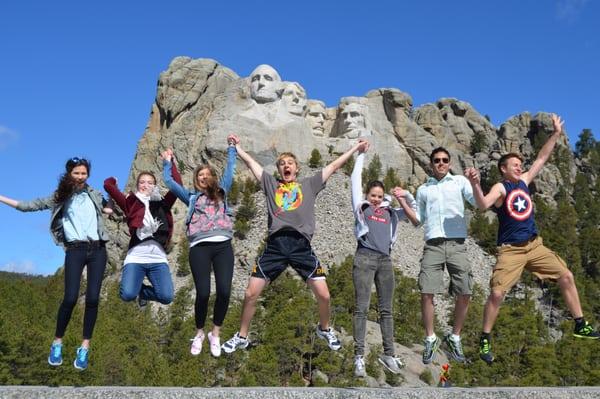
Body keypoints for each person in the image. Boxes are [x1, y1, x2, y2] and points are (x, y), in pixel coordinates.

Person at [465, 114, 600, 365]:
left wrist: (556, 134)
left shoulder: (525, 181)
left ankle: (580, 324)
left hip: (534, 246)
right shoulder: (501, 188)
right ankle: (485, 338)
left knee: (567, 276)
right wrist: (474, 184)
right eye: (514, 164)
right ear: (504, 169)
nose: (519, 166)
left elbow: (542, 157)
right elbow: (483, 205)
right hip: (510, 251)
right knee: (496, 294)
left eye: (520, 164)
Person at [222, 140, 366, 354]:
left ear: (297, 169)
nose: (286, 165)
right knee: (250, 293)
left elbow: (334, 166)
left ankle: (324, 329)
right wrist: (237, 148)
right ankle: (242, 336)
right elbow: (253, 164)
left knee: (324, 295)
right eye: (282, 163)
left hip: (301, 247)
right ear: (279, 170)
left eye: (290, 162)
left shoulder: (310, 184)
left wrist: (356, 149)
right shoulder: (271, 185)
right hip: (275, 246)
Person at [0, 157, 110, 370]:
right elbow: (26, 206)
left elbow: (107, 210)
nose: (80, 176)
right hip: (75, 249)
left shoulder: (94, 194)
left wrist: (115, 200)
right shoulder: (60, 196)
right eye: (76, 173)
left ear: (88, 175)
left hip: (98, 249)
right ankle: (57, 342)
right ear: (69, 174)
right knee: (70, 297)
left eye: (83, 173)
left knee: (94, 298)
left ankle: (84, 347)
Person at [162, 134, 239, 357]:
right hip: (199, 248)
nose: (204, 178)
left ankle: (215, 332)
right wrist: (168, 162)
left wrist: (232, 147)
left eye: (207, 174)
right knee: (203, 293)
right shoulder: (191, 198)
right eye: (200, 176)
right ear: (196, 181)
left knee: (224, 291)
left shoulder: (222, 190)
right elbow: (169, 183)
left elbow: (230, 168)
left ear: (213, 178)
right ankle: (199, 333)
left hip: (223, 245)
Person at [396, 147, 474, 364]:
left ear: (449, 163)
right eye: (437, 160)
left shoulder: (459, 182)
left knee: (466, 290)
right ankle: (431, 338)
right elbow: (417, 220)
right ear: (431, 164)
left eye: (445, 160)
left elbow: (478, 203)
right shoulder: (423, 190)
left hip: (457, 242)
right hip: (433, 244)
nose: (441, 163)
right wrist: (402, 201)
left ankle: (454, 336)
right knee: (426, 291)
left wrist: (475, 182)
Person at [350, 140, 416, 377]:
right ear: (368, 195)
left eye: (379, 195)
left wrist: (405, 195)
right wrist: (360, 155)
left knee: (386, 310)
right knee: (362, 308)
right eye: (373, 195)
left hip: (385, 261)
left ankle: (389, 354)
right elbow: (354, 181)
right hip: (364, 258)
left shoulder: (391, 212)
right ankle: (359, 357)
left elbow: (414, 212)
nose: (376, 199)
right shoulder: (363, 207)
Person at [103, 159, 183, 307]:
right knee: (127, 294)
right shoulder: (130, 203)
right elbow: (108, 185)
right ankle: (137, 291)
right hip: (136, 257)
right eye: (142, 182)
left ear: (155, 186)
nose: (146, 185)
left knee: (166, 297)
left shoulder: (163, 203)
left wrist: (169, 163)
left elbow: (177, 184)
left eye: (150, 182)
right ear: (137, 185)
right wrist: (114, 179)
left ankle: (144, 293)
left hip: (158, 259)